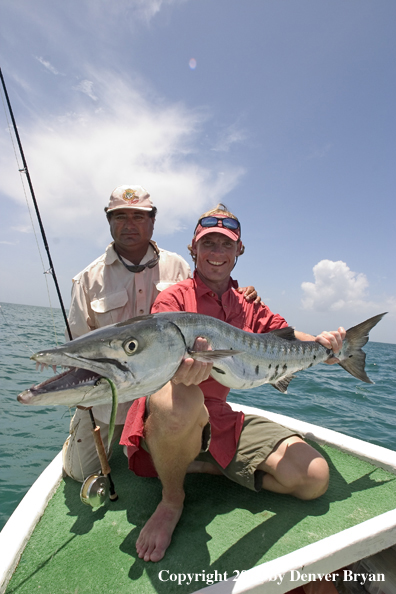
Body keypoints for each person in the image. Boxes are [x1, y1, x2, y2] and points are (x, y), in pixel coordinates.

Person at [120, 203, 346, 563]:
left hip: (219, 418)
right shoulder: (175, 299)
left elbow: (285, 337)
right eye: (208, 244)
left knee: (313, 478)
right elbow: (159, 356)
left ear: (239, 251)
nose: (217, 253)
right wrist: (184, 372)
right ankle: (171, 499)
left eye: (226, 245)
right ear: (194, 249)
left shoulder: (249, 305)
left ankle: (201, 462)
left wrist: (326, 347)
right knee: (181, 401)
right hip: (171, 411)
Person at [63, 187, 259, 482]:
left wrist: (239, 292)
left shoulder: (178, 266)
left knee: (167, 450)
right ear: (109, 221)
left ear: (153, 221)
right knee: (79, 474)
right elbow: (80, 351)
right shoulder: (87, 279)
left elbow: (207, 298)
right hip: (108, 403)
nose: (130, 225)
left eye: (138, 217)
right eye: (120, 217)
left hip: (163, 394)